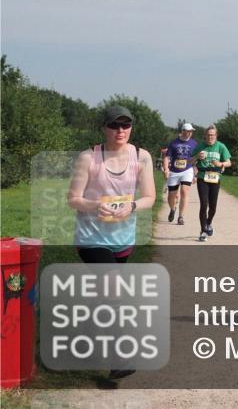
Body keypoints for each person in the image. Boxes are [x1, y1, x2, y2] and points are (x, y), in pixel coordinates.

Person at [66, 104, 155, 381]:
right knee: (115, 291)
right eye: (114, 125)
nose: (120, 131)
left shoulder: (142, 157)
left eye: (125, 125)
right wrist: (95, 206)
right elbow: (73, 199)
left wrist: (131, 206)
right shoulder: (88, 158)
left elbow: (149, 197)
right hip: (92, 238)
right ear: (104, 128)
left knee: (105, 296)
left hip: (122, 238)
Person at [193, 125, 232, 241]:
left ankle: (208, 223)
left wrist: (220, 164)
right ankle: (203, 231)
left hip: (215, 177)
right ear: (205, 136)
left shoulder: (221, 146)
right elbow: (189, 160)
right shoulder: (200, 146)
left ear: (216, 136)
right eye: (208, 135)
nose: (210, 137)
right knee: (204, 204)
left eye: (212, 135)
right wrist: (197, 156)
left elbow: (229, 162)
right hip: (202, 177)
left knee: (213, 206)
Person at [164, 122, 198, 225]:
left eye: (191, 131)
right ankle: (172, 209)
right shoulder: (173, 143)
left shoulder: (194, 144)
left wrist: (195, 173)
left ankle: (181, 216)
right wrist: (166, 168)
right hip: (174, 171)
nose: (189, 133)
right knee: (171, 195)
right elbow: (166, 157)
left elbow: (196, 159)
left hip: (187, 170)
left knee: (184, 192)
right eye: (188, 131)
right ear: (183, 131)